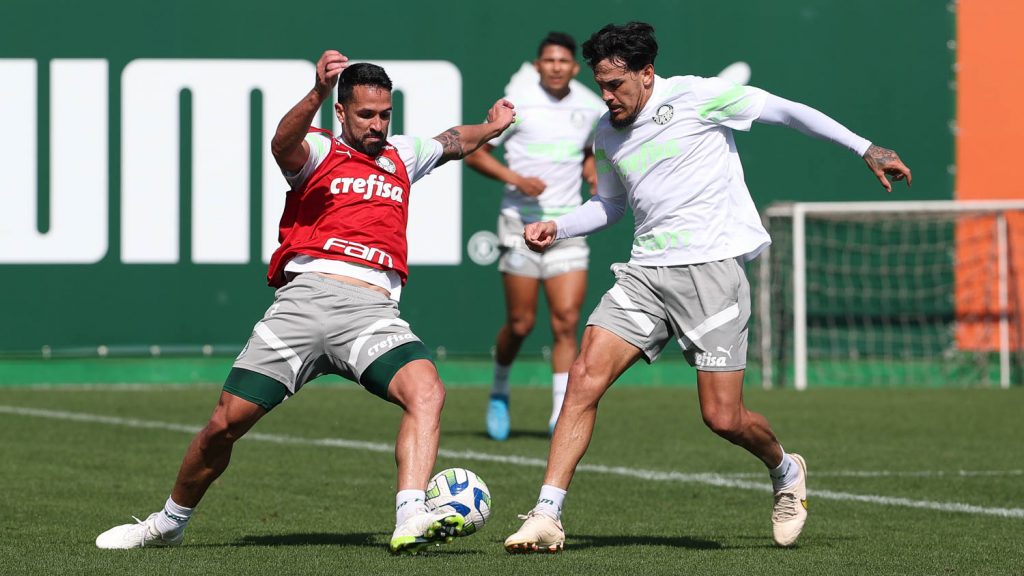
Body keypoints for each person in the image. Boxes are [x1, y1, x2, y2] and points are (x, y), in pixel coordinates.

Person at [504, 22, 912, 553]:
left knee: (723, 417)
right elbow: (609, 204)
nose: (606, 96)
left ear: (647, 74)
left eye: (615, 84)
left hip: (713, 275)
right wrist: (558, 225)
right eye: (600, 84)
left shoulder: (698, 96)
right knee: (583, 378)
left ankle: (786, 470)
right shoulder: (607, 132)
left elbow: (786, 110)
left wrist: (865, 148)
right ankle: (547, 515)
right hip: (646, 274)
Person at [94, 49, 516, 555]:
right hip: (305, 301)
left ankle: (410, 515)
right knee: (223, 426)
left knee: (427, 391)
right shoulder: (318, 150)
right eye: (366, 114)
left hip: (371, 311)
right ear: (341, 112)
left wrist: (490, 128)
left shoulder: (402, 153)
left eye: (385, 114)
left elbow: (455, 140)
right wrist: (316, 91)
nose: (377, 124)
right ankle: (166, 523)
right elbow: (281, 143)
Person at [464, 32, 604, 441]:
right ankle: (499, 392)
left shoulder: (590, 106)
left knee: (566, 321)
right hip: (519, 226)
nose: (557, 67)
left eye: (564, 61)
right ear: (538, 65)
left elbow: (593, 151)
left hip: (567, 227)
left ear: (575, 68)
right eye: (549, 61)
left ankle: (560, 410)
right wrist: (516, 179)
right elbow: (475, 151)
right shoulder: (517, 104)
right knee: (521, 323)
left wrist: (592, 168)